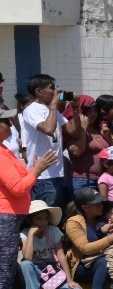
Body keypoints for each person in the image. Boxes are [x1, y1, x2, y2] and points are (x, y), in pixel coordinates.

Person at [0, 106, 63, 289]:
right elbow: (17, 187)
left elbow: (18, 181)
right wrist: (36, 170)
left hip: (10, 216)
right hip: (4, 216)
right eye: (5, 121)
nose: (10, 124)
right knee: (3, 273)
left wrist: (33, 169)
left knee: (6, 273)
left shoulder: (5, 150)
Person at [19, 75, 70, 211]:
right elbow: (48, 129)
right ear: (38, 91)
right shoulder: (31, 110)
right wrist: (54, 105)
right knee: (43, 217)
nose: (55, 92)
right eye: (51, 88)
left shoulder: (51, 110)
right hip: (43, 176)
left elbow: (71, 130)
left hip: (57, 173)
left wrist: (75, 109)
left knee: (53, 217)